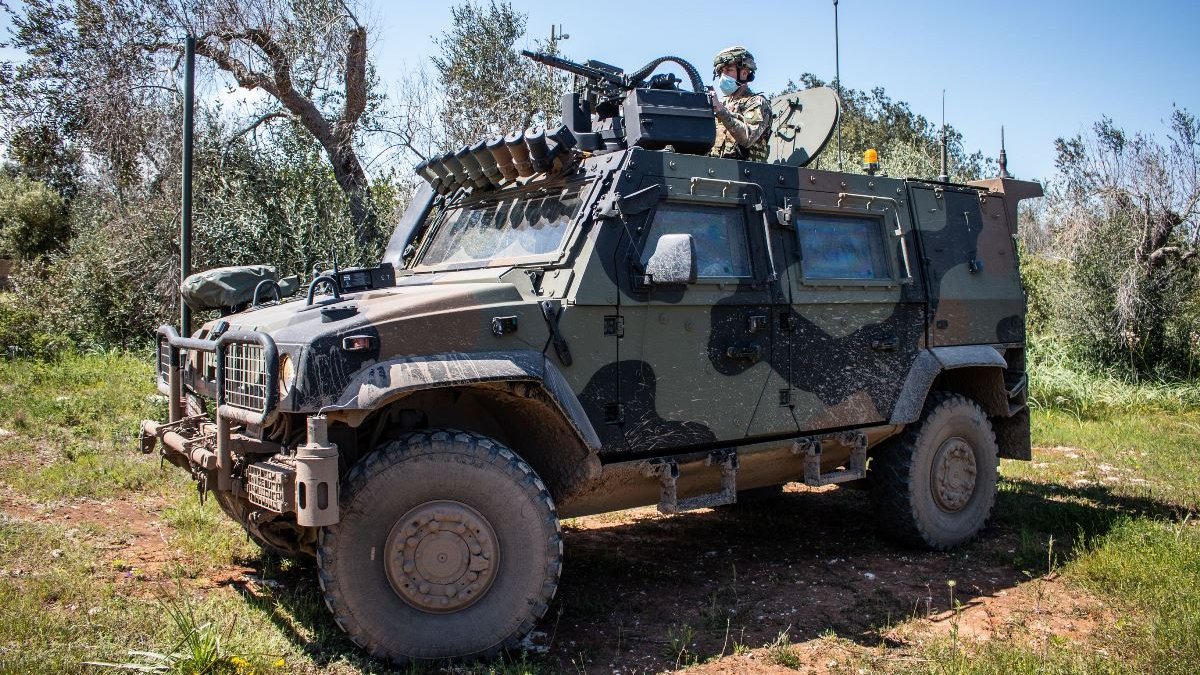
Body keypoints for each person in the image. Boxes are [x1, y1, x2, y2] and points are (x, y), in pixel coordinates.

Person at [708, 46, 772, 162]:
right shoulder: (721, 102)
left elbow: (748, 137)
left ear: (744, 72)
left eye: (728, 70)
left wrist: (721, 111)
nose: (723, 76)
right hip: (716, 168)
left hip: (747, 173)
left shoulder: (757, 102)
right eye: (721, 72)